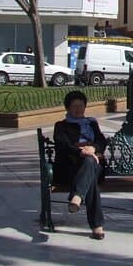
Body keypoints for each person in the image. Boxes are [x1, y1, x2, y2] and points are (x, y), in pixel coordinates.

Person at [53, 90, 106, 240]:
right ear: (68, 108)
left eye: (81, 105)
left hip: (93, 163)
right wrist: (81, 151)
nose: (78, 109)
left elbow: (102, 141)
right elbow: (63, 144)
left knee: (90, 163)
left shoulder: (91, 123)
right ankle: (97, 226)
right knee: (91, 180)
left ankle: (77, 196)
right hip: (71, 167)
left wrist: (93, 149)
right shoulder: (61, 126)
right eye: (74, 106)